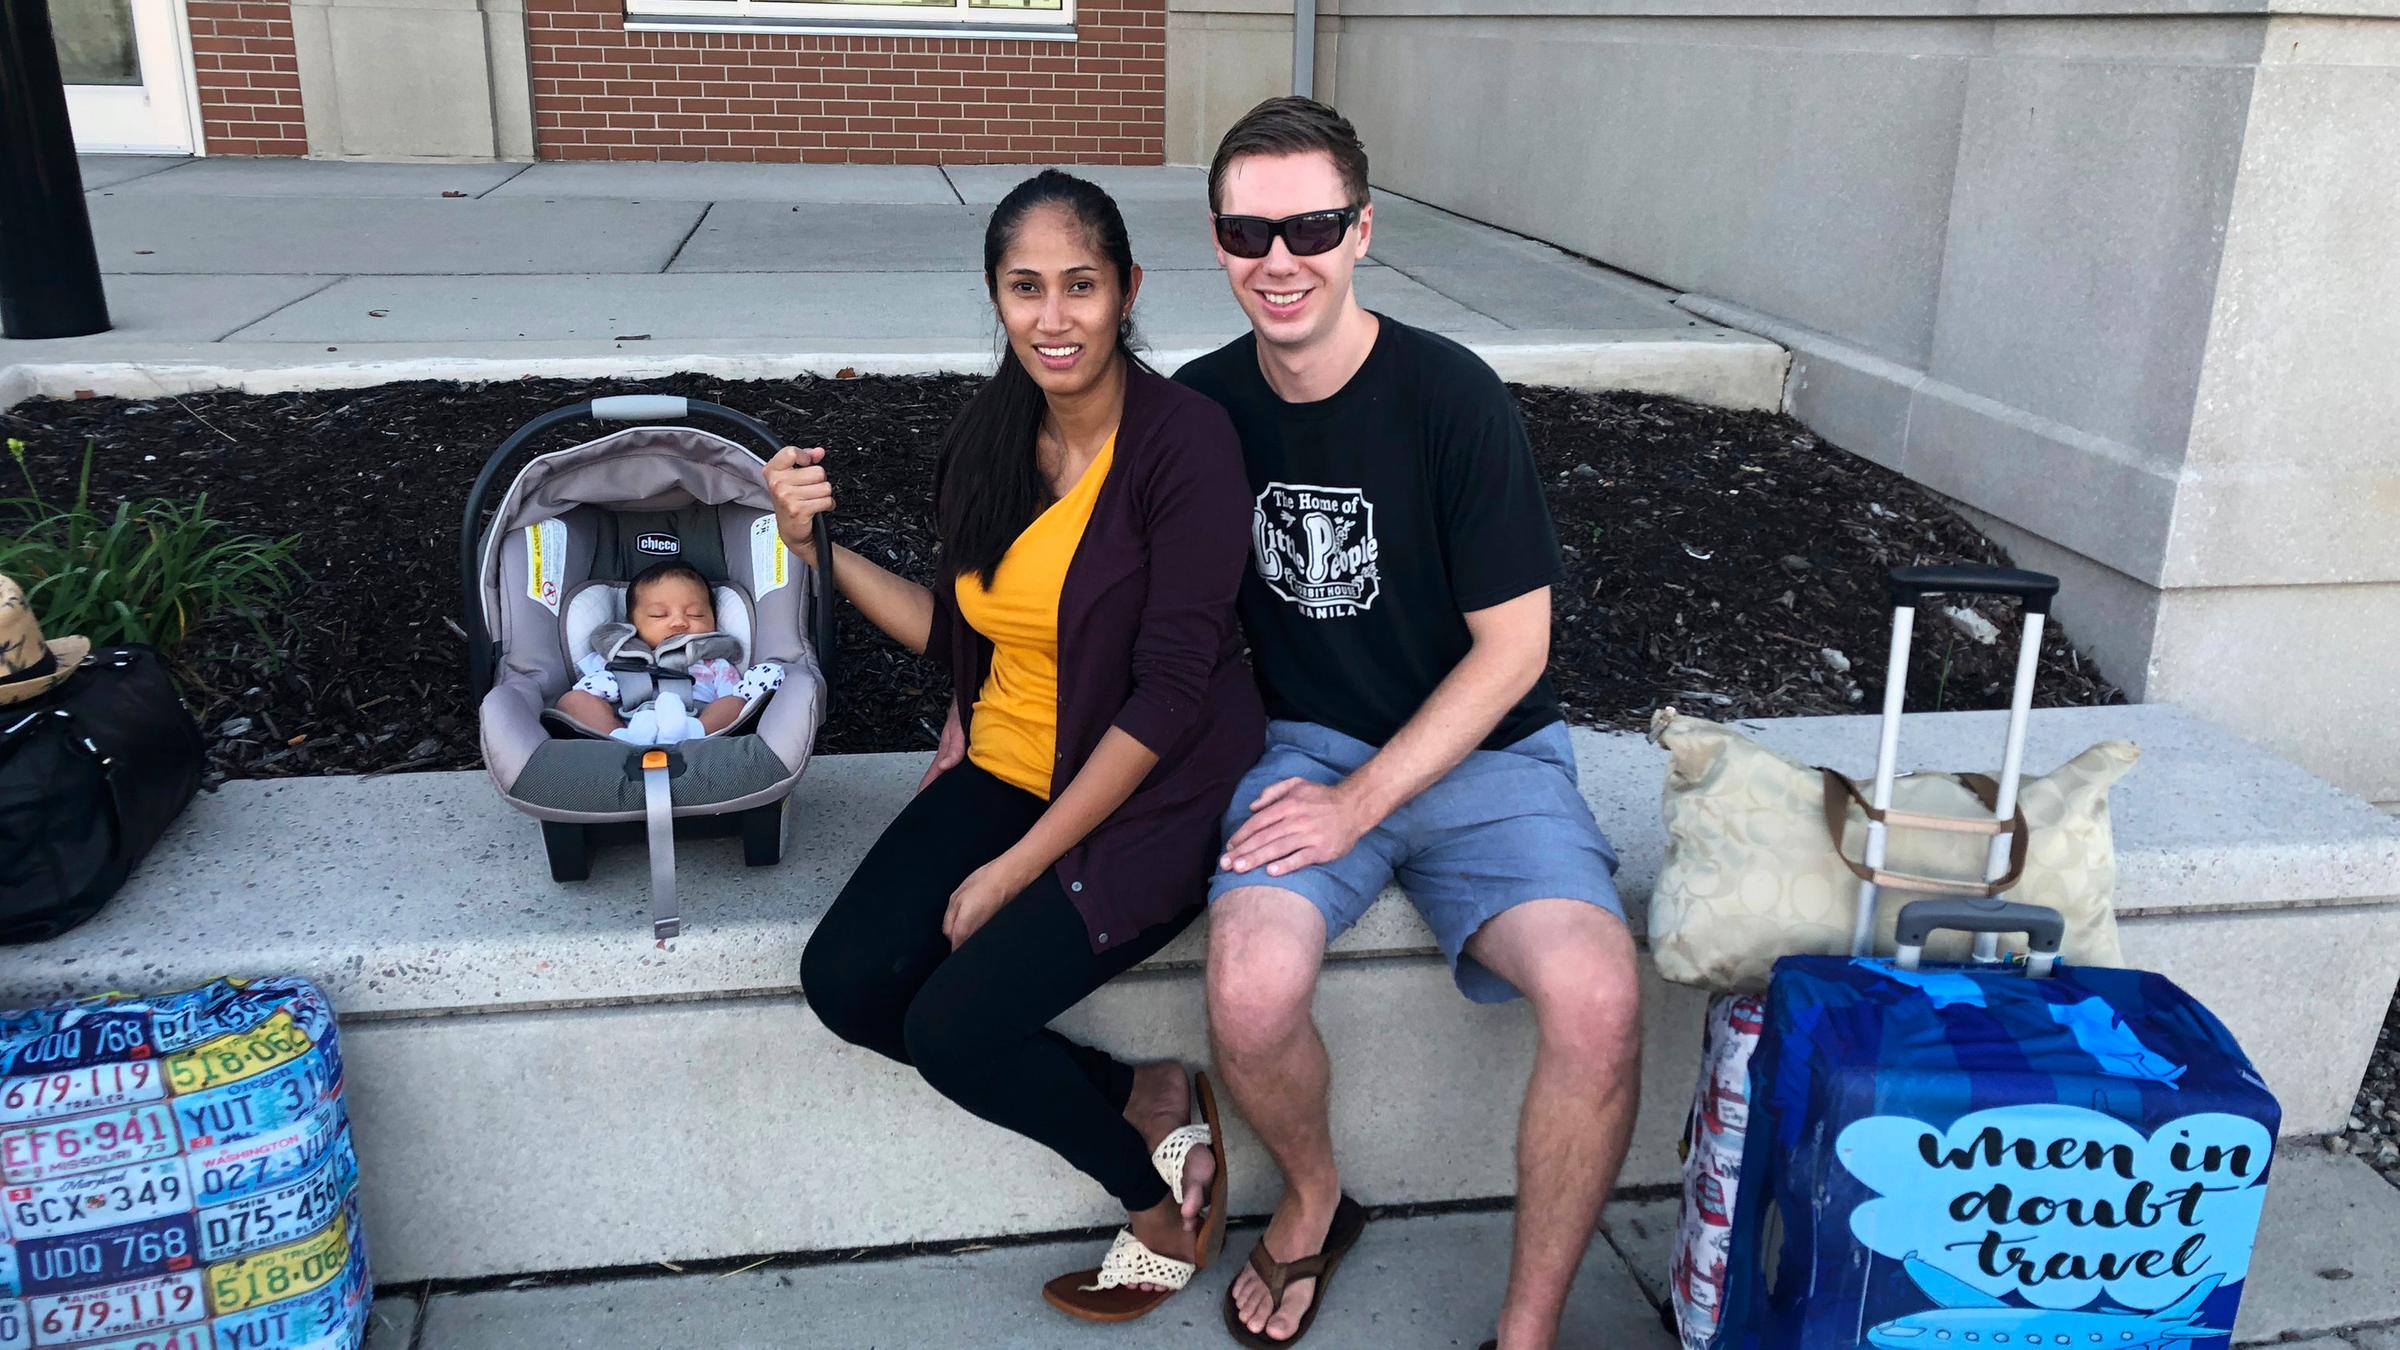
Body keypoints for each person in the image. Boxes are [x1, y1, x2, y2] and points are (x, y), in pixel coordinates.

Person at [1176, 99, 1643, 1350]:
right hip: (1305, 745)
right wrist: (972, 713)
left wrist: (1361, 803)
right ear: (1218, 242)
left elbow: (1515, 651)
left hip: (1486, 754)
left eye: (1312, 227)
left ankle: (1525, 1334)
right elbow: (1120, 596)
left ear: (1363, 231)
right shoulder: (1202, 408)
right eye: (1248, 231)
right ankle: (1316, 1198)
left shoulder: (1450, 397)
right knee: (1248, 985)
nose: (1280, 259)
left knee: (1600, 995)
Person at [779, 171, 1266, 1321]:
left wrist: (1011, 870)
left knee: (954, 1028)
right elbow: (959, 634)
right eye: (1026, 287)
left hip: (1149, 791)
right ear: (996, 296)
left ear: (1128, 291)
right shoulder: (990, 438)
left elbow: (1169, 693)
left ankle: (1156, 1206)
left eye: (1080, 286)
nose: (1054, 318)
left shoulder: (1186, 444)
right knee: (846, 983)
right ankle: (1142, 1093)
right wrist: (814, 548)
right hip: (1008, 764)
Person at [553, 560, 783, 745]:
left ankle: (690, 732)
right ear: (632, 623)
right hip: (622, 721)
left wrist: (745, 694)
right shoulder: (616, 654)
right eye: (659, 615)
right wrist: (602, 684)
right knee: (573, 700)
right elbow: (586, 689)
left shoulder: (715, 663)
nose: (679, 622)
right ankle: (621, 738)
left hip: (695, 724)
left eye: (695, 614)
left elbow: (731, 699)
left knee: (736, 703)